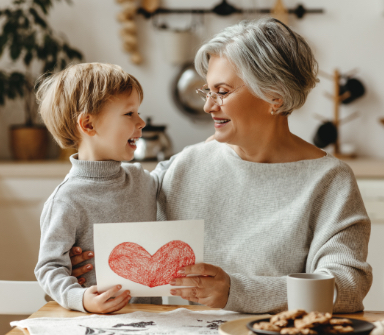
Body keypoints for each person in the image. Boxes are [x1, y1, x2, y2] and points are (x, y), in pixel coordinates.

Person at [70, 19, 372, 314]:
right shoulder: (187, 164)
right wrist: (88, 258)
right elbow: (123, 225)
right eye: (208, 92)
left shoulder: (329, 181)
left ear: (274, 97)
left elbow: (347, 288)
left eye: (223, 92)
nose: (208, 106)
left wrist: (236, 291)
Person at [34, 63, 162, 313]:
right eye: (129, 113)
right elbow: (49, 268)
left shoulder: (142, 180)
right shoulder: (66, 199)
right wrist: (80, 298)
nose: (142, 121)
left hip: (153, 322)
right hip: (94, 325)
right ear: (89, 125)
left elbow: (178, 169)